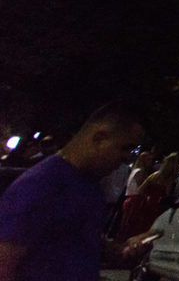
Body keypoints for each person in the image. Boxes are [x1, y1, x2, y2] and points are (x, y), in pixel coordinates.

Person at [0, 103, 151, 281]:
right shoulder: (41, 185)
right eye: (125, 148)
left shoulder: (89, 187)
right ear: (99, 138)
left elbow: (78, 243)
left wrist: (121, 249)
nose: (127, 158)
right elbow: (5, 262)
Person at [117, 152, 179, 240]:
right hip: (157, 209)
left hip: (144, 205)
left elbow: (140, 190)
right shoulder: (170, 181)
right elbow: (167, 195)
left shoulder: (154, 176)